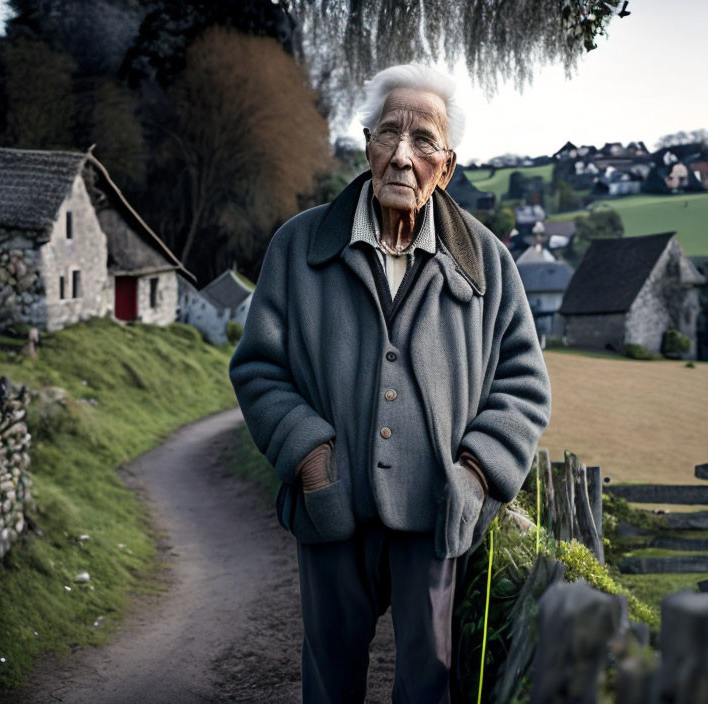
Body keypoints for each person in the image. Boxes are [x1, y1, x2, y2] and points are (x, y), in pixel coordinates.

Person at [228, 64, 551, 703]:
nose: (403, 156)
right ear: (367, 142)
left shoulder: (485, 262)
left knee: (427, 679)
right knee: (328, 674)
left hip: (436, 518)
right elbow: (259, 369)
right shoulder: (299, 248)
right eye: (389, 135)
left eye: (424, 140)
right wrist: (312, 460)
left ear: (447, 166)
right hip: (330, 508)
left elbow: (524, 384)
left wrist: (476, 474)